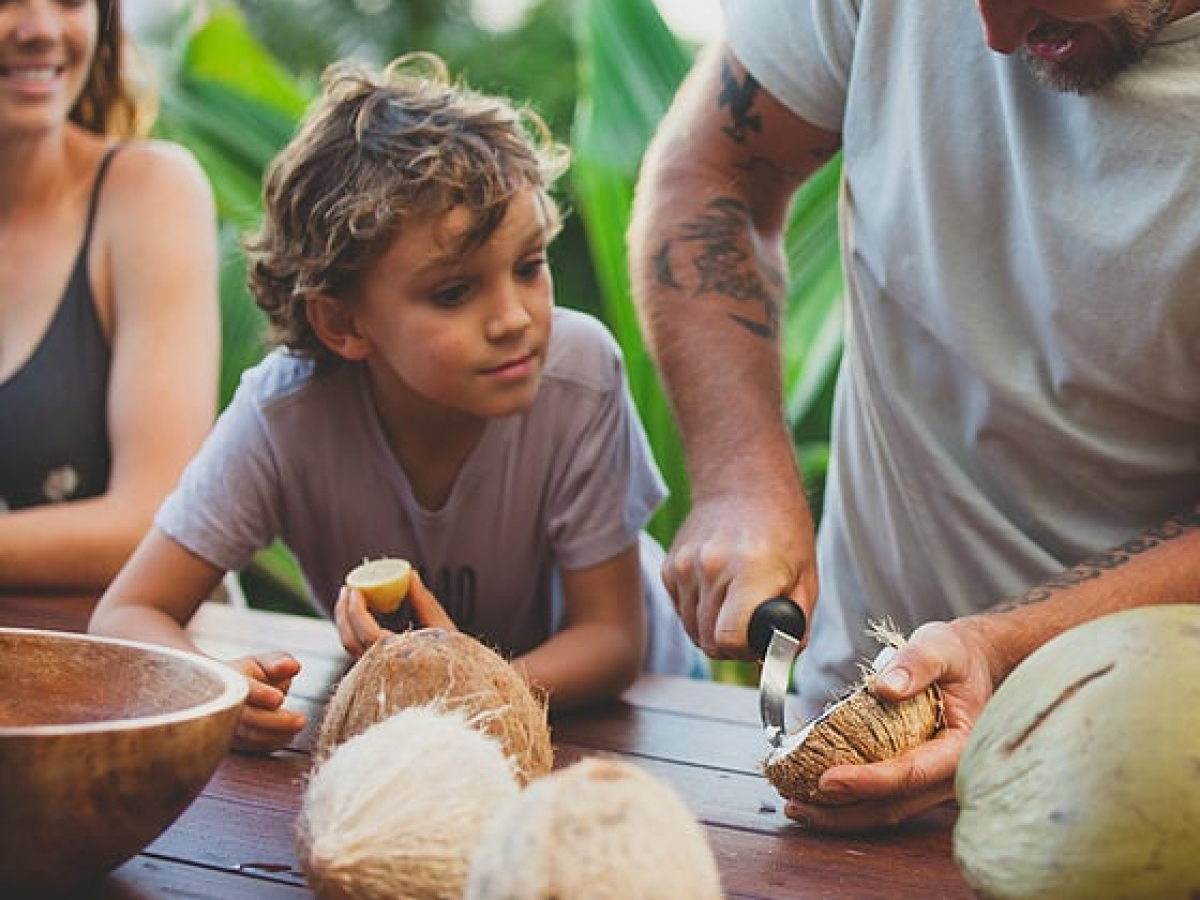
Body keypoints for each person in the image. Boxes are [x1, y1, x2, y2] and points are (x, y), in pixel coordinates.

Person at [629, 0, 1200, 833]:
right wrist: (739, 481)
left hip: (1144, 787)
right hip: (854, 732)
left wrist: (1002, 651)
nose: (994, 39)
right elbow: (709, 171)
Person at [90, 53, 702, 754]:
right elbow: (129, 611)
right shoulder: (283, 418)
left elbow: (612, 641)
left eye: (529, 267)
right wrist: (217, 687)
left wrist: (461, 687)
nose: (514, 318)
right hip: (416, 732)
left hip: (618, 716)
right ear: (343, 324)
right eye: (452, 293)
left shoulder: (578, 375)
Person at [0, 0, 219, 590]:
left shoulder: (148, 193)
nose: (41, 29)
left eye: (70, 0)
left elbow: (157, 519)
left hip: (124, 666)